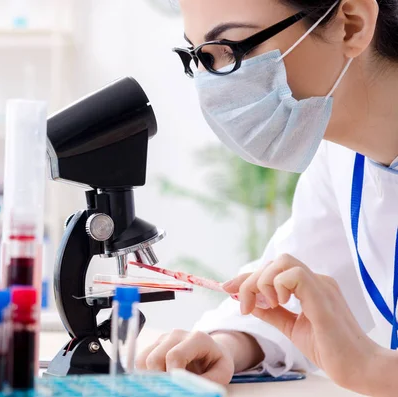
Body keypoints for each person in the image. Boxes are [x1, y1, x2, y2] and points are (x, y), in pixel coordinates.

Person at [136, 0, 398, 395]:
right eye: (202, 57)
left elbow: (363, 362)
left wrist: (373, 371)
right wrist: (229, 345)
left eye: (233, 49)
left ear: (351, 25)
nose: (215, 84)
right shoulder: (341, 158)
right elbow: (299, 289)